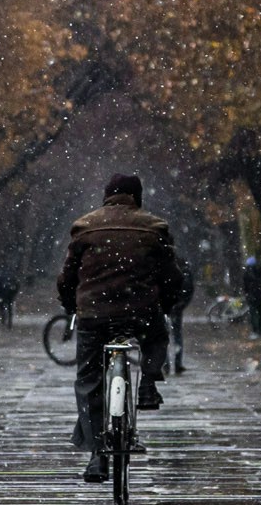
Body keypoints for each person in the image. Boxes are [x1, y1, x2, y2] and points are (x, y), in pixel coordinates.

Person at [57, 174, 190, 483]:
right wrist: (165, 306)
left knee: (88, 380)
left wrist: (70, 306)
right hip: (140, 312)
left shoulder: (84, 226)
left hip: (94, 314)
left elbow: (66, 278)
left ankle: (97, 457)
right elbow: (172, 277)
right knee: (157, 335)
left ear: (106, 196)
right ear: (136, 196)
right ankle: (148, 383)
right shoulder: (153, 227)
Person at [241, 252, 261, 334]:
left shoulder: (246, 273)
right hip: (260, 295)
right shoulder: (260, 271)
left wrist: (247, 294)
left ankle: (255, 330)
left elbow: (245, 286)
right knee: (260, 314)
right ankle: (259, 331)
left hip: (252, 296)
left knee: (253, 314)